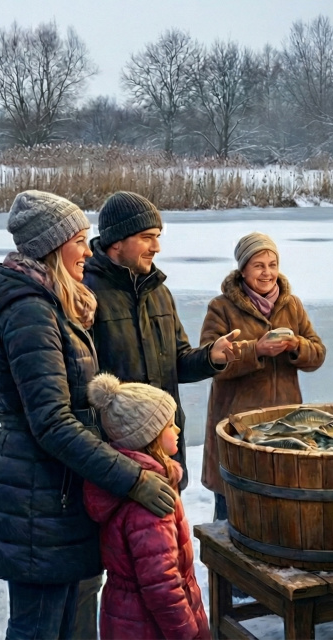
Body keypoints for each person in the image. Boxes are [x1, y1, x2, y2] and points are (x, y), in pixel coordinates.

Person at [0, 190, 179, 640]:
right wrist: (132, 478)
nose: (89, 250)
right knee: (42, 628)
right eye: (80, 240)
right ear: (52, 246)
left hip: (60, 495)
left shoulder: (57, 308)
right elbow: (52, 422)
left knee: (73, 623)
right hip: (38, 501)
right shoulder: (30, 313)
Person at [83, 191, 238, 492]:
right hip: (120, 459)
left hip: (166, 450)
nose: (157, 247)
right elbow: (81, 387)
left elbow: (176, 363)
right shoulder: (86, 294)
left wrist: (211, 357)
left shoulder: (158, 292)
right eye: (147, 237)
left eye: (157, 236)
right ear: (117, 241)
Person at [199, 232, 326, 520]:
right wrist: (256, 349)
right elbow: (210, 359)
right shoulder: (221, 307)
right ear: (243, 269)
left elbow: (317, 354)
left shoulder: (291, 305)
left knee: (281, 506)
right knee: (234, 508)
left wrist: (297, 346)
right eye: (258, 265)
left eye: (272, 264)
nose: (267, 273)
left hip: (286, 424)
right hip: (239, 426)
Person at [84, 373, 211, 640]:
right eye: (169, 425)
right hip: (152, 627)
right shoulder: (151, 502)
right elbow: (162, 586)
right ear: (148, 436)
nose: (177, 430)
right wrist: (187, 634)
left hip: (126, 617)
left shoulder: (123, 484)